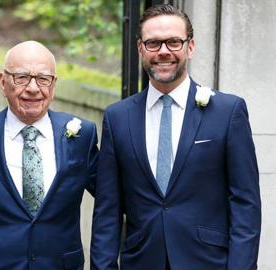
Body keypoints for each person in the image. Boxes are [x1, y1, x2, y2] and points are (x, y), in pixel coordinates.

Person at [91, 4, 261, 270]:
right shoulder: (117, 117)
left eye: (173, 42)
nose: (163, 51)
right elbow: (107, 211)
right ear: (140, 49)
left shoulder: (228, 112)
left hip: (208, 263)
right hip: (141, 261)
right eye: (153, 43)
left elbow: (245, 205)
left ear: (189, 47)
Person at [0, 40, 98, 269]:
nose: (32, 88)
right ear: (3, 82)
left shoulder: (82, 135)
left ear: (54, 84)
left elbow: (112, 201)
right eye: (21, 77)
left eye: (43, 79)